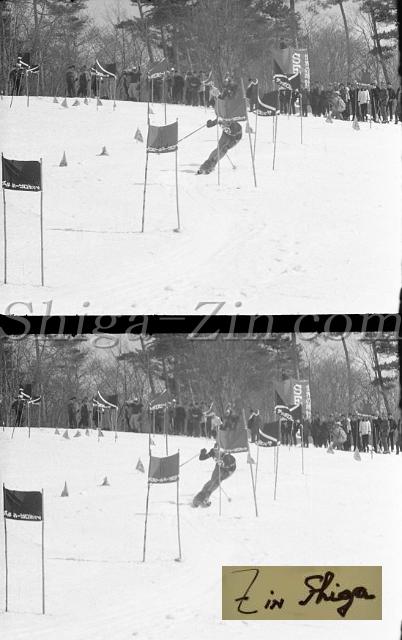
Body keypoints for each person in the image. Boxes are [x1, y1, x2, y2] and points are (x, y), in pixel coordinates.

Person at [197, 79, 243, 175]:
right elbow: (219, 118)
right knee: (219, 149)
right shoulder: (221, 106)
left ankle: (209, 165)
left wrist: (228, 129)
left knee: (223, 149)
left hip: (235, 136)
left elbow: (233, 128)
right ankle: (207, 165)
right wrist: (212, 123)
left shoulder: (231, 111)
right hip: (226, 132)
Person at [192, 440, 236, 507]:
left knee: (217, 481)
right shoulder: (213, 452)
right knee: (212, 481)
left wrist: (225, 467)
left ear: (222, 451)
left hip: (228, 471)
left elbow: (232, 464)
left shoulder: (227, 457)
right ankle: (200, 496)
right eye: (215, 450)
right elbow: (202, 458)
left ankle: (206, 497)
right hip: (219, 467)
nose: (216, 453)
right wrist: (202, 453)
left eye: (218, 451)